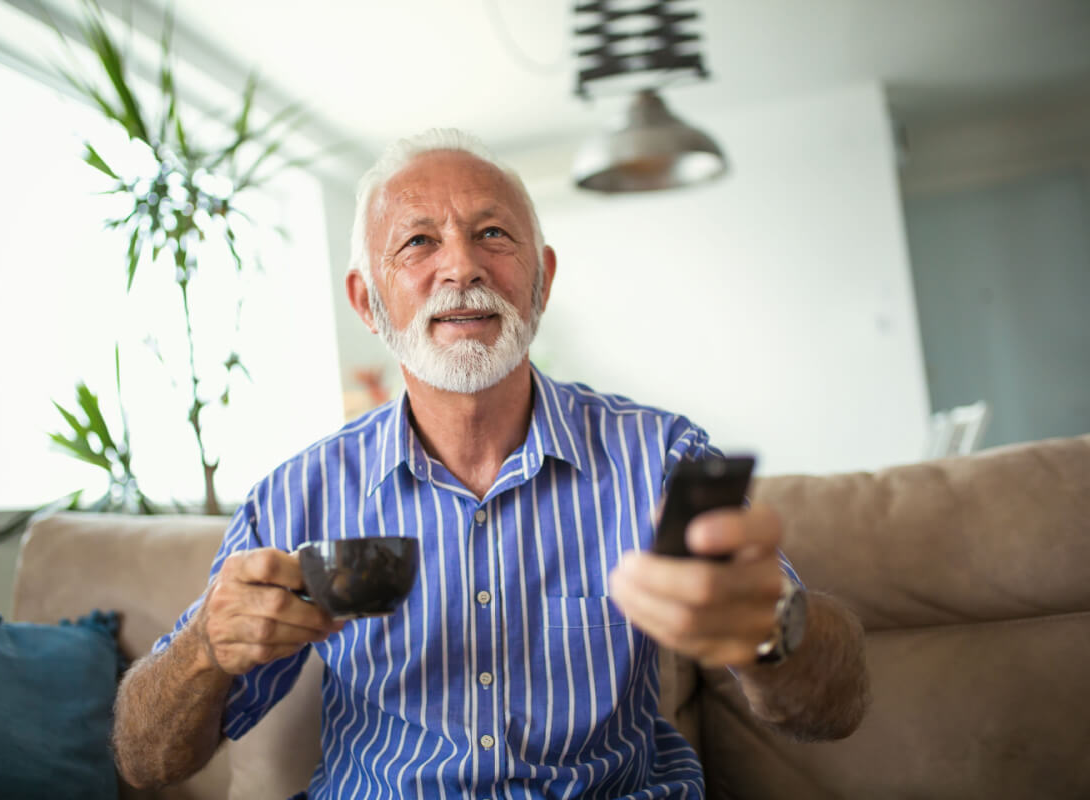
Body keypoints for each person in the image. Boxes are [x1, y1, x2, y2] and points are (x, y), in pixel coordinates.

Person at [112, 128, 870, 798]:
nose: (462, 267)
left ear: (540, 279)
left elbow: (831, 709)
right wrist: (202, 650)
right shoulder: (294, 498)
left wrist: (771, 625)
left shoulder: (661, 460)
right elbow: (147, 762)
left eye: (493, 235)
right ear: (368, 303)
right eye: (418, 243)